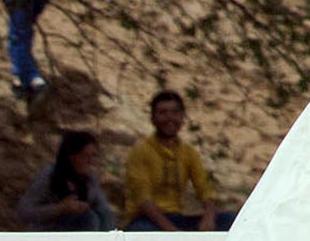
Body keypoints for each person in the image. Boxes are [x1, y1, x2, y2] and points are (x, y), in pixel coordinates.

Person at [123, 90, 229, 230]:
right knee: (143, 231)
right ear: (153, 118)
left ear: (182, 117)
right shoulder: (140, 152)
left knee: (231, 220)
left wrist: (209, 217)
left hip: (178, 218)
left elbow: (205, 189)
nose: (169, 118)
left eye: (175, 113)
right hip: (148, 220)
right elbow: (144, 201)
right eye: (163, 113)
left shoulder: (188, 152)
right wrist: (174, 233)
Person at [16, 129, 113, 230]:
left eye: (93, 156)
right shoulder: (50, 176)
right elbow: (24, 212)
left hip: (78, 227)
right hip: (49, 230)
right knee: (89, 219)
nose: (91, 162)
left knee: (104, 215)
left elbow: (103, 207)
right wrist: (59, 209)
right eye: (85, 156)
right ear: (72, 157)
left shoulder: (90, 180)